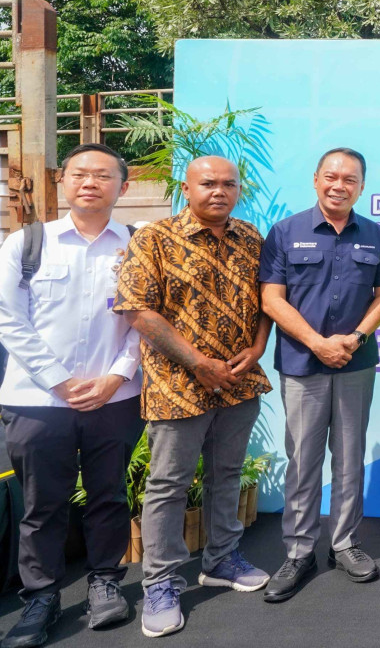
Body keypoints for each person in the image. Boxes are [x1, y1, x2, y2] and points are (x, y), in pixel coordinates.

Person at [114, 156, 273, 638]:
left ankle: (221, 559)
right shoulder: (154, 238)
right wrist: (197, 362)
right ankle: (160, 583)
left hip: (239, 381)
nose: (219, 191)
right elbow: (136, 310)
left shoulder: (250, 237)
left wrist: (260, 344)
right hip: (177, 385)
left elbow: (269, 298)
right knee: (169, 485)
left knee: (226, 474)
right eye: (208, 183)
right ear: (187, 188)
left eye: (228, 184)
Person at [0, 144, 144, 647]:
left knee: (109, 495)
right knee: (42, 505)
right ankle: (41, 597)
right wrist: (58, 380)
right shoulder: (27, 243)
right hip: (38, 401)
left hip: (116, 399)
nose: (90, 182)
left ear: (122, 188)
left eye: (103, 176)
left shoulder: (138, 245)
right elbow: (7, 320)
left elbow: (146, 323)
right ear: (63, 182)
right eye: (80, 173)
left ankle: (106, 581)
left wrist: (115, 377)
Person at [258, 148, 380, 602]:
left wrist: (353, 338)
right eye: (331, 176)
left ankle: (345, 544)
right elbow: (272, 299)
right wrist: (317, 342)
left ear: (361, 186)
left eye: (350, 179)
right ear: (316, 179)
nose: (339, 185)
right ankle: (299, 552)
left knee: (350, 456)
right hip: (302, 364)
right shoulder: (285, 232)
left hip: (356, 362)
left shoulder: (375, 235)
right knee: (303, 460)